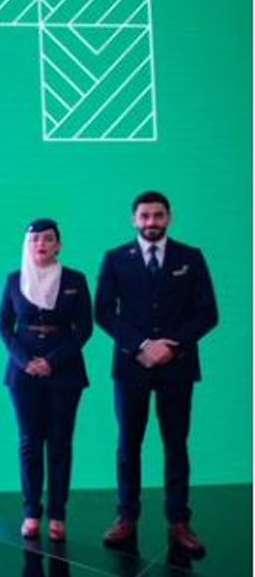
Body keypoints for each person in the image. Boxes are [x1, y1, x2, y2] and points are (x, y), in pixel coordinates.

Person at [95, 191, 218, 557]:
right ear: (134, 219)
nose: (151, 222)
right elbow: (104, 312)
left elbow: (208, 313)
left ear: (169, 218)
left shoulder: (190, 257)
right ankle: (126, 517)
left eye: (158, 215)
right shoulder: (116, 258)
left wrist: (172, 346)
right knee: (128, 444)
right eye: (145, 216)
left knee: (176, 444)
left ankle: (179, 521)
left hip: (177, 366)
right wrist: (141, 346)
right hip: (131, 366)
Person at [0, 218, 92, 542]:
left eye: (48, 239)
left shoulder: (75, 280)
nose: (41, 244)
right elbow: (4, 327)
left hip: (65, 371)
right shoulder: (14, 280)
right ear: (28, 245)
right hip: (23, 373)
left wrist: (52, 361)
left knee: (61, 443)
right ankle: (32, 512)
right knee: (29, 442)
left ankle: (58, 514)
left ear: (58, 245)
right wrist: (26, 362)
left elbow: (84, 329)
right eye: (35, 239)